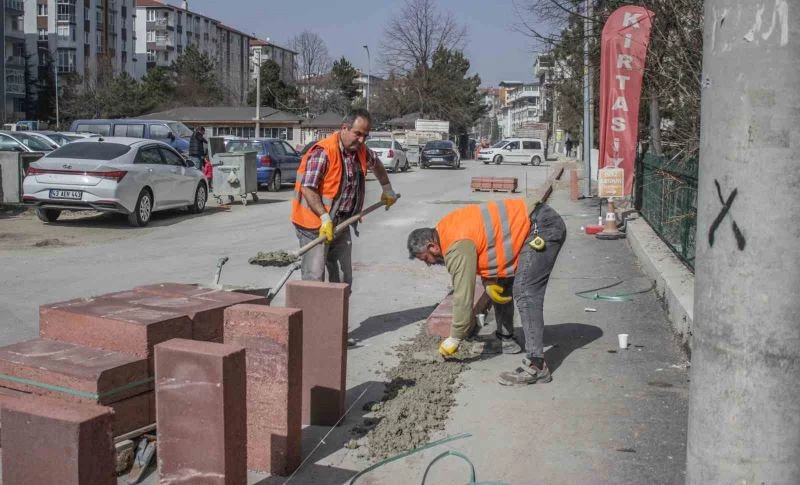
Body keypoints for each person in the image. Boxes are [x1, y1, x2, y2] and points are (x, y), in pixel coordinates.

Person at [407, 198, 567, 386]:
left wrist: (455, 337)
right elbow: (486, 243)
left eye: (426, 258)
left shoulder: (455, 245)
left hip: (541, 226)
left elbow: (463, 294)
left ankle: (536, 365)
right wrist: (488, 280)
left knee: (525, 291)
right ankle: (506, 340)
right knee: (502, 282)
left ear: (431, 247)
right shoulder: (445, 230)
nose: (429, 264)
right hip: (532, 223)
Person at [291, 109, 398, 285]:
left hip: (342, 223)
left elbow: (376, 163)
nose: (361, 140)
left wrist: (387, 188)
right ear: (344, 128)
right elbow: (308, 188)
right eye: (358, 134)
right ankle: (313, 303)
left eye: (365, 136)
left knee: (343, 279)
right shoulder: (324, 152)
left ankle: (338, 303)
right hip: (314, 225)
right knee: (314, 279)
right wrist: (324, 217)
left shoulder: (361, 151)